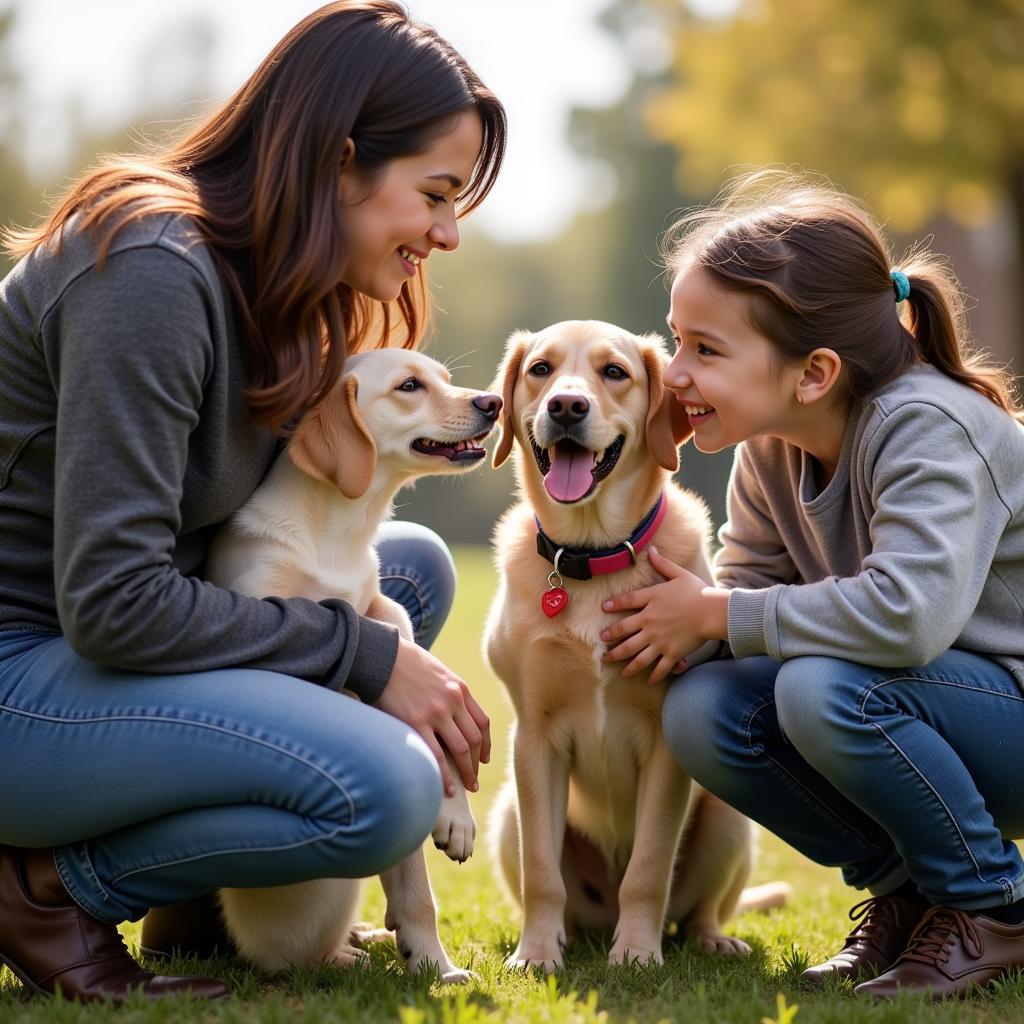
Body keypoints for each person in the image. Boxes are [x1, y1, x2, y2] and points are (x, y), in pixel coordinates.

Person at [0, 0, 505, 1003]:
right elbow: (112, 601)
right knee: (388, 786)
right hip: (22, 672)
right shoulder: (149, 270)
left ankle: (199, 892)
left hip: (93, 662)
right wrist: (365, 656)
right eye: (436, 193)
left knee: (407, 573)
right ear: (339, 161)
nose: (447, 232)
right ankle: (48, 886)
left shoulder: (281, 291)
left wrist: (374, 634)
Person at [599, 170, 1024, 999]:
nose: (673, 373)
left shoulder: (927, 426)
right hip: (927, 716)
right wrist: (674, 630)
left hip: (1003, 709)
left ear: (815, 372)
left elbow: (907, 617)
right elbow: (752, 596)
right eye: (675, 338)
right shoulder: (770, 442)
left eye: (706, 350)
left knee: (823, 689)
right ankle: (908, 891)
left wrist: (718, 611)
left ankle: (993, 906)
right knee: (706, 706)